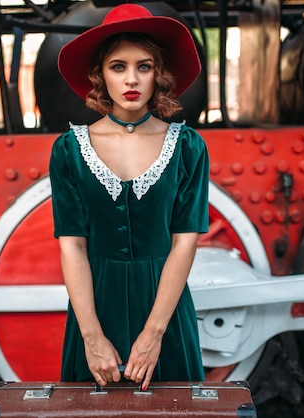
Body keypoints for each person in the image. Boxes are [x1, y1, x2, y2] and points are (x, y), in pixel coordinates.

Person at [49, 3, 209, 391]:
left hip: (165, 309)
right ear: (101, 76)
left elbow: (185, 242)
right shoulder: (69, 149)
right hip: (95, 307)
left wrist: (154, 333)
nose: (131, 79)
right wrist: (91, 337)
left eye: (144, 66)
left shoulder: (188, 146)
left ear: (159, 75)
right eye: (118, 66)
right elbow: (72, 246)